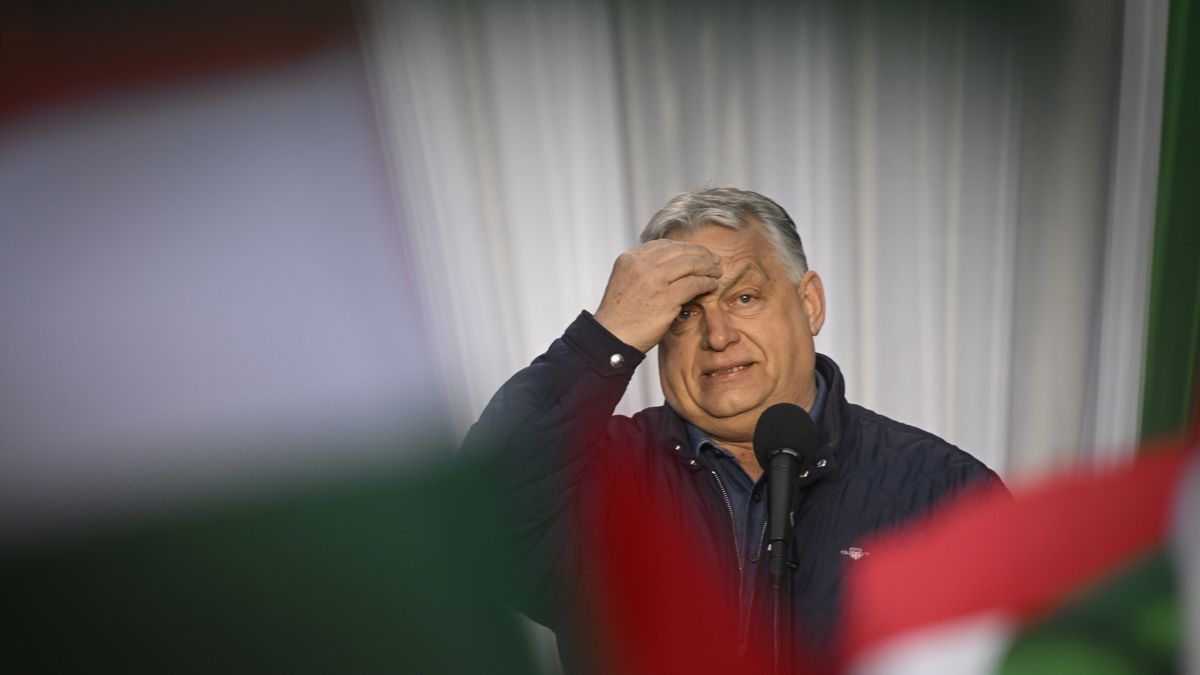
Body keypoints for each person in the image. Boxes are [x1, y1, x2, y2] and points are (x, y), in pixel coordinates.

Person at [463, 187, 1004, 673]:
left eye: (744, 298)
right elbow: (470, 522)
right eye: (682, 314)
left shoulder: (940, 487)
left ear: (809, 302)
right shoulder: (599, 476)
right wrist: (605, 335)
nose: (718, 336)